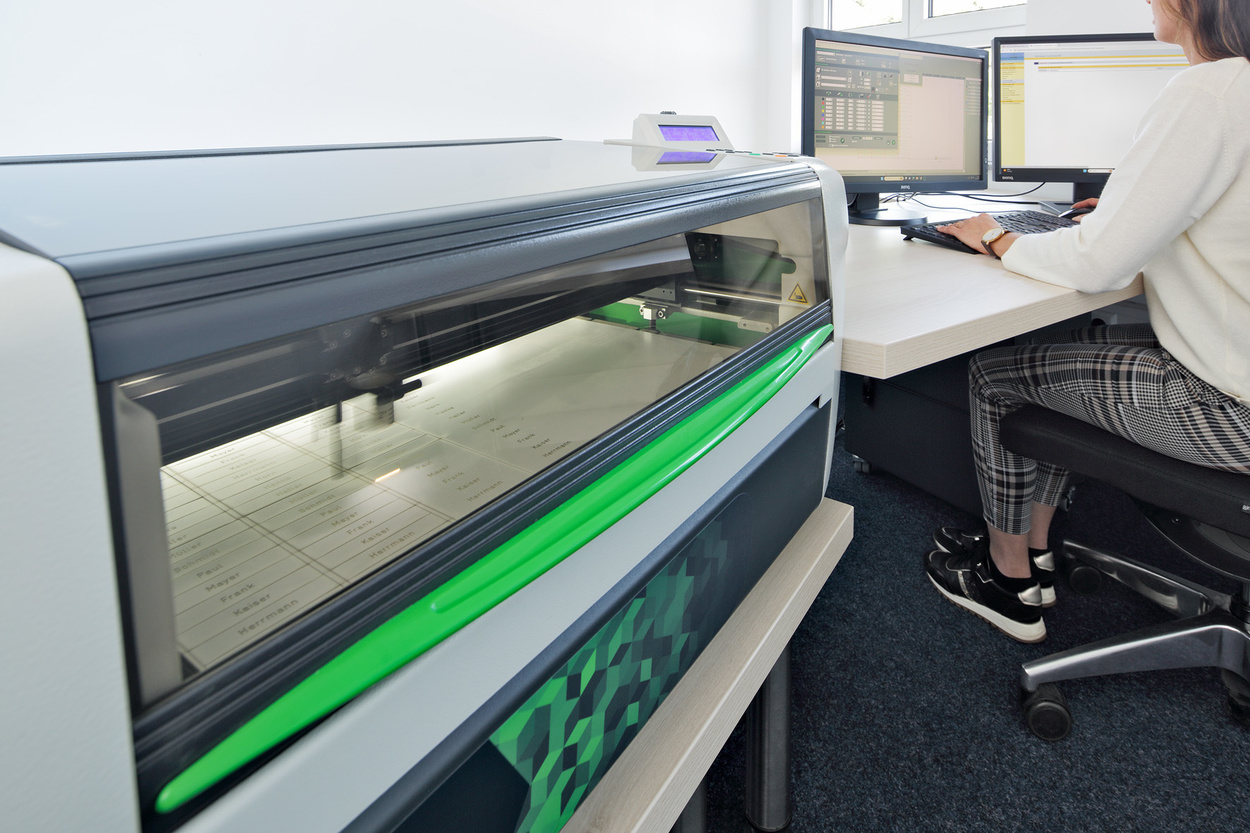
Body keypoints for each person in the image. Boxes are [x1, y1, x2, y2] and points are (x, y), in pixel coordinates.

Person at [924, 0, 1250, 643]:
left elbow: (1098, 265)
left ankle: (1006, 581)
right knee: (1068, 350)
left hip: (1232, 411)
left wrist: (996, 237)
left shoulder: (1209, 89)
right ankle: (1037, 554)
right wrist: (1127, 211)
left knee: (994, 375)